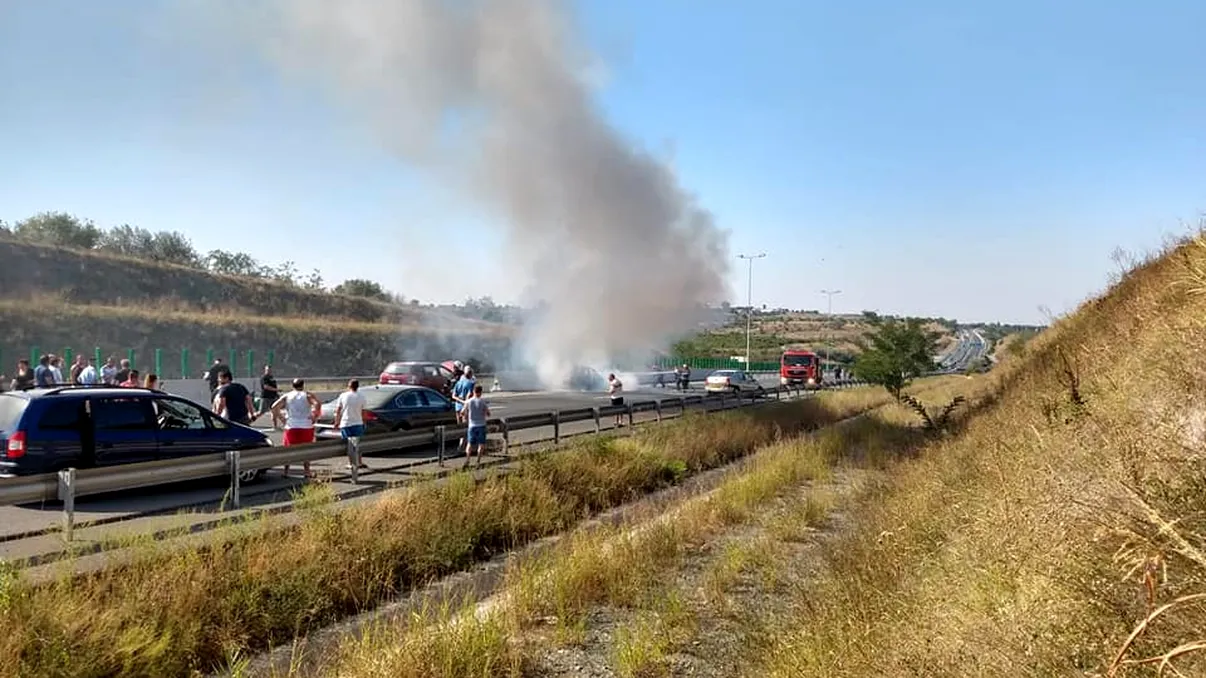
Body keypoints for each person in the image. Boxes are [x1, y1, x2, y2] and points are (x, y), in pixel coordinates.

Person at [272, 378, 321, 479]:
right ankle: (307, 472)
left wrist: (282, 418)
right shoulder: (307, 395)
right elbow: (317, 404)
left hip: (291, 425)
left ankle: (286, 471)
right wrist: (314, 416)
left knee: (288, 449)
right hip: (306, 426)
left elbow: (274, 407)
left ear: (292, 386)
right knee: (306, 449)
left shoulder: (287, 396)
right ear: (303, 385)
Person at [333, 379, 368, 471]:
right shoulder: (362, 396)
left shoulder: (343, 396)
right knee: (357, 444)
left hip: (346, 423)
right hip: (358, 423)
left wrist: (336, 422)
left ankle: (350, 463)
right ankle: (359, 462)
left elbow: (338, 410)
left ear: (349, 386)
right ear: (358, 386)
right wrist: (364, 422)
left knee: (349, 445)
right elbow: (364, 411)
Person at [463, 383, 490, 467]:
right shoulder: (483, 402)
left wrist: (466, 416)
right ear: (481, 392)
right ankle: (478, 461)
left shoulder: (468, 401)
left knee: (470, 444)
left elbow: (462, 412)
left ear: (473, 391)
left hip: (472, 426)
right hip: (481, 425)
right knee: (481, 444)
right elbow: (488, 413)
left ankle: (467, 460)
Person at [451, 366, 476, 454]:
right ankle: (463, 447)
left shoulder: (458, 383)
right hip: (465, 408)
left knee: (460, 427)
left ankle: (461, 446)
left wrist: (460, 401)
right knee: (466, 428)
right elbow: (470, 395)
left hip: (457, 407)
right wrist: (465, 402)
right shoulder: (471, 383)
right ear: (470, 374)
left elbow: (453, 396)